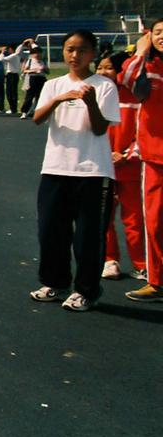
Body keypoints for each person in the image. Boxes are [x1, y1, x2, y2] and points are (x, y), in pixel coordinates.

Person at [29, 29, 119, 312]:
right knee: (50, 232)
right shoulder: (54, 85)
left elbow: (100, 128)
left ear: (93, 54)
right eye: (69, 49)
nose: (74, 55)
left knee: (88, 238)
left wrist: (90, 102)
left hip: (93, 171)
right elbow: (37, 119)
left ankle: (87, 290)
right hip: (56, 169)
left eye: (81, 50)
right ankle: (56, 283)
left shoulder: (104, 86)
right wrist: (56, 100)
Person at [120, 21, 163, 302]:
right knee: (155, 223)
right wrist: (140, 52)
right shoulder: (149, 67)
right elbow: (128, 81)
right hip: (154, 157)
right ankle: (157, 282)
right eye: (158, 32)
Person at [96, 52, 146, 281]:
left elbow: (145, 133)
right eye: (100, 67)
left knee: (134, 219)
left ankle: (142, 264)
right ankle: (110, 260)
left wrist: (126, 155)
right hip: (101, 167)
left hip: (130, 168)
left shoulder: (136, 100)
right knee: (103, 217)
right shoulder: (94, 97)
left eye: (109, 68)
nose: (103, 72)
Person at [0, 39, 33, 115]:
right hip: (14, 75)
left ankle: (13, 109)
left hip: (11, 75)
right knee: (13, 92)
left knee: (10, 93)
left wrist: (2, 52)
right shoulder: (16, 56)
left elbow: (1, 59)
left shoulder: (13, 56)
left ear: (11, 49)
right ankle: (13, 108)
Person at [20, 45, 49, 119]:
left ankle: (38, 111)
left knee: (40, 96)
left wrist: (44, 69)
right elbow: (24, 71)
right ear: (32, 54)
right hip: (32, 78)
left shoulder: (43, 61)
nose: (38, 55)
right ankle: (24, 112)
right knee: (29, 96)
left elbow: (48, 72)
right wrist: (35, 70)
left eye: (39, 53)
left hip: (41, 79)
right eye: (36, 53)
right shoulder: (30, 61)